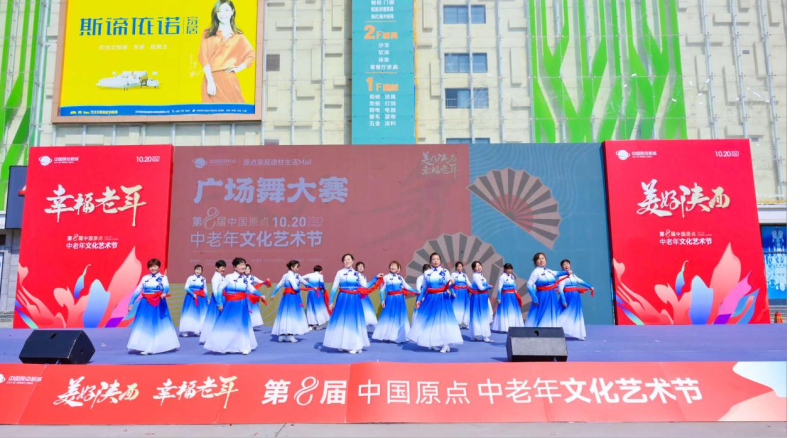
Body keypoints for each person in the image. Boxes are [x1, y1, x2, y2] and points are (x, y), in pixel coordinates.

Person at [199, 0, 256, 103]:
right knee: (211, 111)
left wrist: (239, 68)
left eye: (226, 10)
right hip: (211, 78)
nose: (223, 14)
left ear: (232, 11)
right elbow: (203, 57)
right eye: (219, 11)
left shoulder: (238, 36)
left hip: (229, 80)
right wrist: (210, 81)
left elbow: (250, 55)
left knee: (235, 110)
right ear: (216, 13)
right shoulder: (208, 33)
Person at [203, 257, 263, 355]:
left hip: (242, 305)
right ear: (235, 267)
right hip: (230, 305)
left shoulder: (245, 279)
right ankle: (223, 346)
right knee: (228, 324)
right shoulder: (229, 277)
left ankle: (244, 347)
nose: (243, 266)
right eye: (241, 264)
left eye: (244, 264)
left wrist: (261, 295)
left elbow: (252, 289)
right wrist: (219, 303)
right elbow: (219, 289)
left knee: (242, 325)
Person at [408, 253, 463, 353]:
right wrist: (419, 300)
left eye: (437, 259)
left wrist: (453, 284)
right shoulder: (427, 273)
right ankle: (432, 342)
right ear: (430, 261)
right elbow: (424, 288)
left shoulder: (445, 271)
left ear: (440, 261)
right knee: (430, 321)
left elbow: (450, 284)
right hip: (430, 299)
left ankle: (445, 344)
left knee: (443, 321)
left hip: (442, 298)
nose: (435, 261)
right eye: (433, 259)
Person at [126, 259, 180, 355]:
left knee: (157, 323)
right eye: (151, 266)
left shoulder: (163, 277)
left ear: (159, 267)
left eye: (155, 266)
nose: (153, 268)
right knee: (145, 324)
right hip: (145, 303)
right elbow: (138, 291)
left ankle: (153, 346)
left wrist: (164, 293)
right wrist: (131, 303)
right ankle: (144, 345)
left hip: (158, 303)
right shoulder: (145, 278)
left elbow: (166, 287)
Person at [323, 254, 370, 354]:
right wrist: (330, 302)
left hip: (354, 299)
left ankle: (355, 345)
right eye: (345, 260)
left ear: (353, 261)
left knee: (353, 321)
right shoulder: (340, 272)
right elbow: (334, 287)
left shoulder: (357, 274)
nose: (347, 261)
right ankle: (343, 344)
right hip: (342, 299)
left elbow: (366, 286)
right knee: (341, 320)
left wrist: (375, 279)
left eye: (349, 259)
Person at [372, 261, 418, 343]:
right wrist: (382, 300)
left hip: (400, 299)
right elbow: (382, 290)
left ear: (398, 268)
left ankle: (399, 336)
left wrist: (417, 292)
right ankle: (388, 335)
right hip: (390, 299)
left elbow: (407, 287)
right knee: (390, 316)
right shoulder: (385, 277)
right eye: (391, 265)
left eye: (395, 266)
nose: (393, 267)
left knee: (400, 316)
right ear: (389, 268)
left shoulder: (400, 278)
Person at [270, 260, 312, 343]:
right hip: (290, 296)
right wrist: (273, 294)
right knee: (290, 314)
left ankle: (283, 335)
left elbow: (305, 282)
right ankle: (289, 334)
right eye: (297, 267)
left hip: (294, 296)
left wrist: (313, 287)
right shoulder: (288, 275)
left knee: (287, 314)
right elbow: (294, 287)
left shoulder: (297, 275)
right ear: (292, 267)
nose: (298, 268)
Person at [526, 252, 571, 328]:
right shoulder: (535, 272)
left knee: (552, 312)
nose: (541, 260)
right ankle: (541, 329)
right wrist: (534, 298)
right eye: (539, 259)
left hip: (552, 295)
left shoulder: (548, 270)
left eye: (543, 258)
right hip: (543, 295)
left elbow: (556, 273)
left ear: (545, 260)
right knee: (543, 313)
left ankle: (551, 328)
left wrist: (566, 272)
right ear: (535, 262)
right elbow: (529, 285)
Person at [558, 259, 594, 341]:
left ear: (570, 265)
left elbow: (581, 282)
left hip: (575, 298)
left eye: (567, 264)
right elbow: (560, 289)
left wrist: (590, 286)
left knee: (577, 315)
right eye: (564, 264)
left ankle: (579, 334)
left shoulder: (573, 276)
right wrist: (563, 301)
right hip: (567, 297)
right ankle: (557, 329)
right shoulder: (562, 277)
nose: (566, 265)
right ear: (562, 267)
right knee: (564, 314)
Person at [491, 263, 525, 332]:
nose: (509, 270)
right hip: (505, 296)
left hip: (513, 296)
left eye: (511, 269)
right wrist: (499, 298)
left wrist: (516, 293)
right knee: (505, 311)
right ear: (505, 269)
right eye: (508, 269)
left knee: (514, 310)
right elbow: (499, 288)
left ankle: (514, 326)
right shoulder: (502, 277)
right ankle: (505, 327)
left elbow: (514, 285)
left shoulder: (512, 276)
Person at [199, 260, 226, 344]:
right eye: (221, 267)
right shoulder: (215, 277)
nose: (223, 269)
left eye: (224, 267)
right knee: (214, 318)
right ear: (216, 268)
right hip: (217, 301)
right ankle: (211, 337)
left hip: (222, 299)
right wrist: (219, 303)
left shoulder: (222, 277)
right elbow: (215, 290)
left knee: (220, 318)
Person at [179, 264, 208, 337]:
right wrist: (193, 294)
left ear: (202, 271)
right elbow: (186, 287)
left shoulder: (203, 279)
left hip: (200, 298)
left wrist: (207, 298)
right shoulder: (190, 278)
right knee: (188, 313)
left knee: (199, 314)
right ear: (194, 270)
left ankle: (197, 330)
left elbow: (205, 289)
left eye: (199, 269)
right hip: (190, 298)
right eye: (197, 269)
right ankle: (184, 330)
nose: (198, 271)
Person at [469, 261, 493, 342]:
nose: (479, 267)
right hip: (477, 297)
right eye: (476, 266)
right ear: (473, 269)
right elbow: (481, 288)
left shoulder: (482, 276)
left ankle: (484, 335)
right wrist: (488, 286)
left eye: (479, 265)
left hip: (483, 297)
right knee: (476, 315)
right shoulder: (475, 276)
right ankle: (476, 334)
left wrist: (487, 287)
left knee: (484, 315)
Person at [355, 261, 382, 328]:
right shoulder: (356, 274)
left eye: (362, 266)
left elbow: (366, 286)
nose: (361, 267)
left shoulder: (363, 276)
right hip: (358, 295)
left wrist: (376, 278)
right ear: (356, 267)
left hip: (363, 294)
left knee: (367, 309)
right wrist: (375, 278)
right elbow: (365, 286)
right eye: (359, 266)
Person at [302, 265, 330, 330]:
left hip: (311, 292)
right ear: (320, 271)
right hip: (318, 293)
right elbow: (322, 284)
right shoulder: (320, 276)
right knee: (319, 307)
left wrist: (307, 285)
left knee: (310, 307)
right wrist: (324, 289)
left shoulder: (309, 275)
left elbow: (300, 278)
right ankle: (319, 324)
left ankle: (310, 325)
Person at [245, 264, 270, 329]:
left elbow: (261, 282)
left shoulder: (252, 277)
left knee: (253, 310)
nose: (247, 270)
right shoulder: (241, 277)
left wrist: (267, 281)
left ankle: (251, 324)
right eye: (246, 269)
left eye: (248, 269)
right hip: (244, 296)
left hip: (252, 296)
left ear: (250, 270)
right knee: (245, 310)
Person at [450, 261, 471, 328]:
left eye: (461, 266)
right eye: (458, 266)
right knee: (455, 307)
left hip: (464, 293)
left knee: (465, 306)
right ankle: (456, 323)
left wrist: (475, 288)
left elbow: (469, 283)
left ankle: (466, 323)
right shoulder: (453, 274)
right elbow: (450, 284)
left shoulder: (464, 275)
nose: (459, 267)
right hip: (456, 292)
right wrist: (453, 292)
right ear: (456, 267)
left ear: (462, 267)